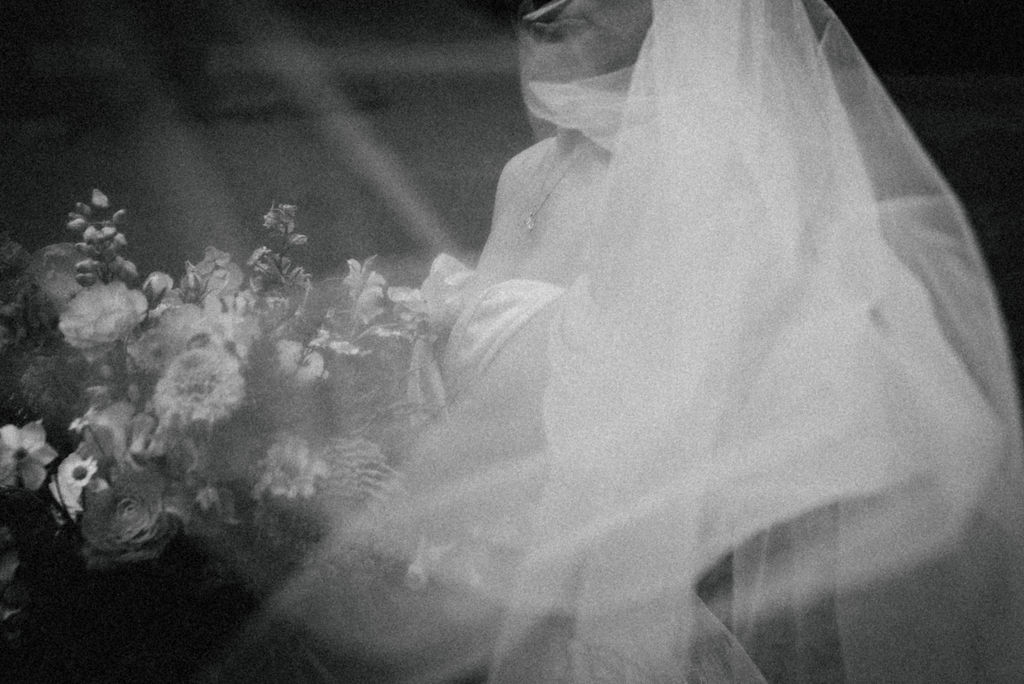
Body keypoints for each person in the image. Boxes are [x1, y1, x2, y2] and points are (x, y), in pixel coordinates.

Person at [214, 1, 1024, 681]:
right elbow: (465, 389)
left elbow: (705, 454)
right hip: (455, 572)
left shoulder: (725, 190)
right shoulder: (527, 175)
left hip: (601, 600)